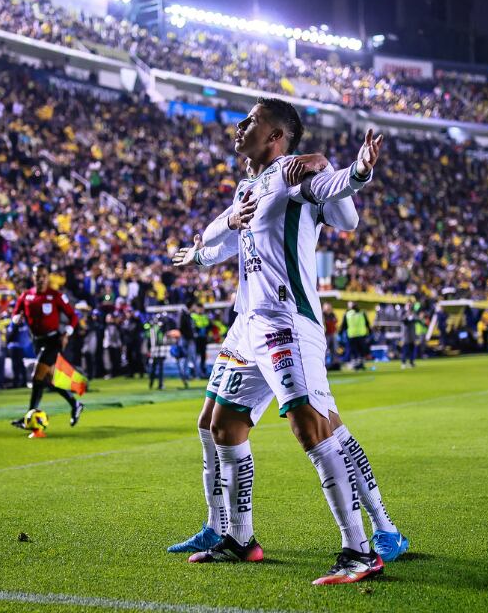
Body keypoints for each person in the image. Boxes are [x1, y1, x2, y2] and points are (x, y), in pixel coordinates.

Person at [167, 99, 403, 584]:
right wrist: (203, 247)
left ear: (276, 135)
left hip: (285, 319)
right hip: (248, 323)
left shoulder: (293, 173)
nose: (239, 126)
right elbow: (225, 235)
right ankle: (237, 536)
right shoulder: (248, 185)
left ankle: (360, 550)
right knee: (221, 424)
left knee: (312, 427)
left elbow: (338, 197)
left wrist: (355, 170)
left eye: (250, 121)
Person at [9, 264, 84, 428]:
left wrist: (67, 333)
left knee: (37, 377)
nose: (40, 278)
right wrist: (16, 319)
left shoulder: (55, 296)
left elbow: (73, 316)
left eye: (43, 275)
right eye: (37, 276)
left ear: (48, 277)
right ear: (33, 277)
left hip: (53, 341)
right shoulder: (26, 296)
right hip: (37, 341)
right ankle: (75, 405)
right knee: (49, 380)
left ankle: (28, 417)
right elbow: (15, 314)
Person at [341, 301, 370, 369]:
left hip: (354, 335)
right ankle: (358, 364)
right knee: (358, 351)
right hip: (358, 335)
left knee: (356, 351)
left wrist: (341, 332)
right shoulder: (361, 313)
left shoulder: (348, 314)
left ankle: (358, 364)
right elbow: (367, 323)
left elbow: (343, 325)